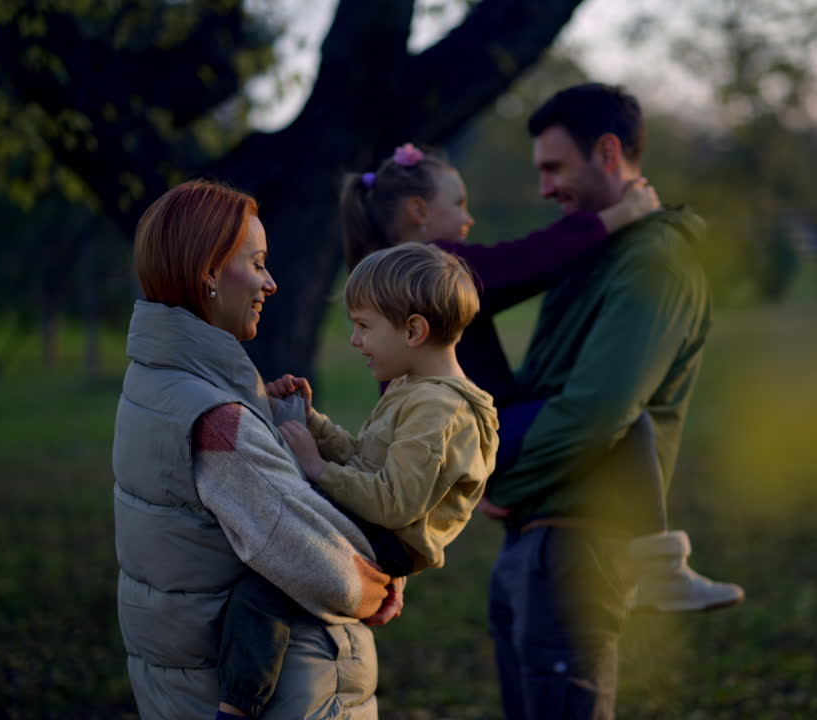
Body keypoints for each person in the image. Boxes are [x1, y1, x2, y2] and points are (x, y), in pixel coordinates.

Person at [339, 142, 741, 614]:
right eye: (459, 203)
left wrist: (476, 474)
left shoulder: (393, 284)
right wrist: (622, 214)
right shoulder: (431, 273)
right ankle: (662, 574)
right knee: (626, 423)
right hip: (474, 427)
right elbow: (530, 258)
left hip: (464, 433)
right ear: (419, 211)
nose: (468, 218)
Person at [112, 180, 400, 720]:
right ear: (209, 274)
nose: (271, 282)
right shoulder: (219, 423)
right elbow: (326, 570)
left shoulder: (152, 381)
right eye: (257, 263)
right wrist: (383, 582)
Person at [484, 82, 725, 719]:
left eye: (554, 168)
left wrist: (506, 485)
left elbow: (597, 414)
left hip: (578, 545)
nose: (544, 188)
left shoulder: (655, 263)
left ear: (609, 153)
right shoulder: (594, 251)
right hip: (533, 540)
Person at [214, 241, 500, 718]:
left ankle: (238, 706)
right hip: (375, 523)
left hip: (386, 539)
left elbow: (394, 503)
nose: (354, 340)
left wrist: (317, 468)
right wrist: (311, 422)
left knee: (267, 580)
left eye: (364, 326)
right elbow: (366, 463)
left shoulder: (438, 409)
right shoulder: (414, 388)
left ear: (413, 330)